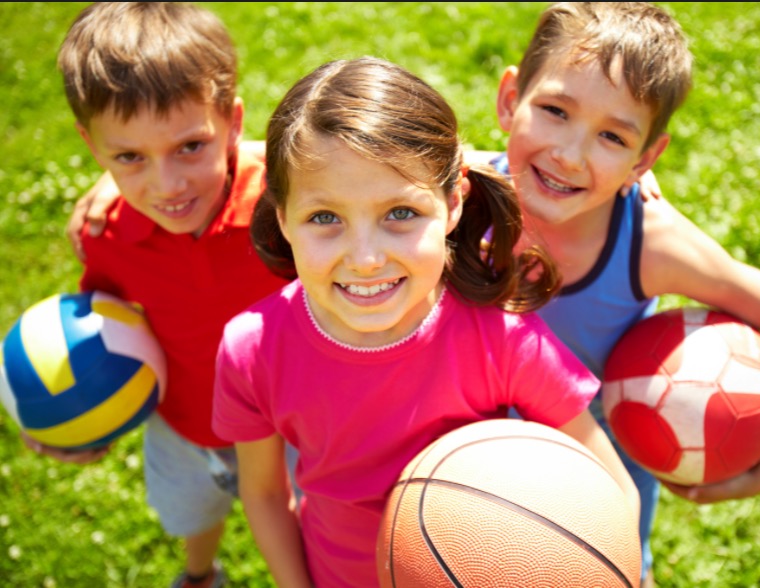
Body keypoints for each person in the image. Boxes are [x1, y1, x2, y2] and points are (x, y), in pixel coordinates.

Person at [211, 56, 641, 588]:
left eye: (400, 214)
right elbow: (266, 493)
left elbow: (609, 481)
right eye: (325, 218)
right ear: (282, 218)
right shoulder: (252, 350)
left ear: (453, 202)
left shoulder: (501, 338)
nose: (365, 258)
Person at [480, 2, 760, 586]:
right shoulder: (454, 199)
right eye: (553, 110)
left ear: (646, 159)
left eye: (612, 138)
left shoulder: (649, 243)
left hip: (595, 493)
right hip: (460, 475)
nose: (569, 154)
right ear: (509, 99)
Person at [29, 4, 291, 587]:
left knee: (303, 531)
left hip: (294, 426)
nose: (167, 185)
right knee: (192, 515)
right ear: (91, 146)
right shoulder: (109, 238)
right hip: (183, 426)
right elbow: (106, 336)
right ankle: (200, 574)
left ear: (234, 122)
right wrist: (67, 417)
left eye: (190, 147)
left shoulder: (290, 205)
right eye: (129, 158)